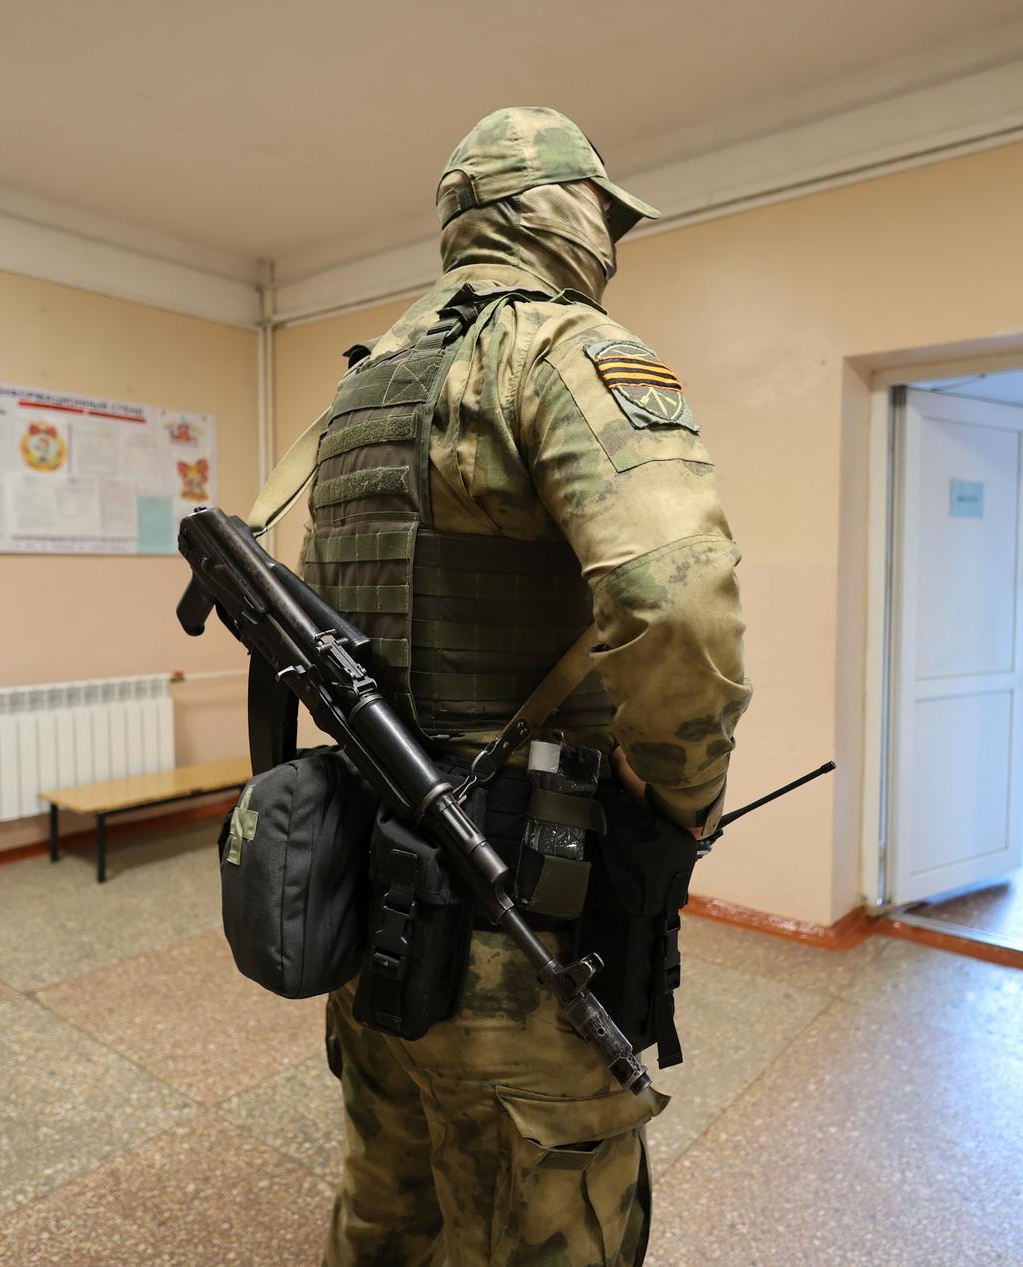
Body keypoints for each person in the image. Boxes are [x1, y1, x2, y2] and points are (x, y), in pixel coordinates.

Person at [306, 107, 752, 1267]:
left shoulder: (361, 394)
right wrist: (672, 808)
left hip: (374, 892)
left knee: (387, 1209)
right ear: (557, 214)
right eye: (603, 216)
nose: (609, 242)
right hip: (517, 915)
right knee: (549, 1220)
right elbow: (678, 600)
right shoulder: (556, 352)